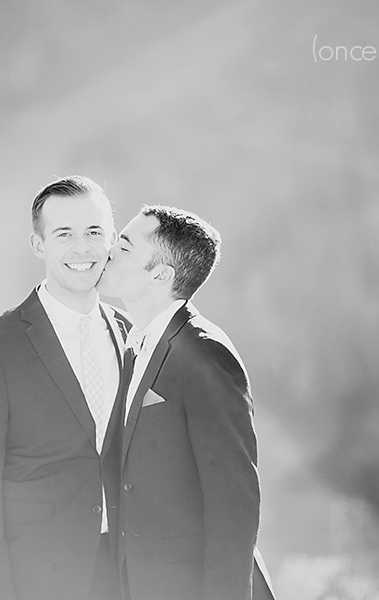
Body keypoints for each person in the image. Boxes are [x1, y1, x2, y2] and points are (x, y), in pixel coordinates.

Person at [0, 176, 131, 600]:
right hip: (28, 579)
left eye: (93, 232)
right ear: (39, 244)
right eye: (64, 234)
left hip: (120, 578)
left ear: (111, 240)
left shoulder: (132, 336)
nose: (82, 248)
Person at [97, 205, 276, 600]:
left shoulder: (205, 353)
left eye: (124, 247)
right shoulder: (134, 346)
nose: (108, 251)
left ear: (161, 274)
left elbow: (234, 500)